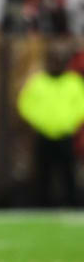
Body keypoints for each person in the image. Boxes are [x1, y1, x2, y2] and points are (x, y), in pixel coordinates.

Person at [17, 43, 84, 206]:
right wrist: (40, 121)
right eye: (53, 60)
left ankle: (71, 204)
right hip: (43, 134)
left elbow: (80, 106)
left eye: (59, 60)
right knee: (43, 172)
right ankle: (43, 205)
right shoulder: (38, 82)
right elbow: (25, 104)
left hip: (65, 135)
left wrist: (68, 122)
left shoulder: (73, 82)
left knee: (67, 172)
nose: (56, 63)